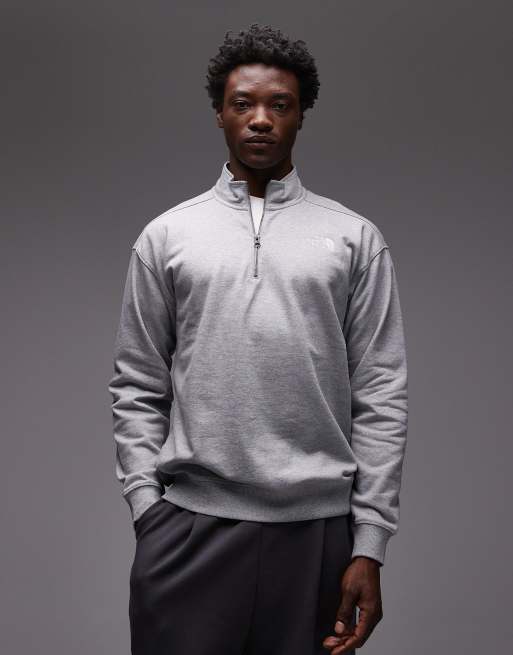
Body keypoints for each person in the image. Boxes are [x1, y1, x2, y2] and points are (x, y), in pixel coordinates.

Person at [108, 22, 408, 655]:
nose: (261, 119)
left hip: (318, 536)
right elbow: (136, 383)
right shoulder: (167, 236)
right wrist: (146, 506)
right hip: (188, 531)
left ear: (301, 115)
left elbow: (381, 394)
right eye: (243, 103)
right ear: (220, 113)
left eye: (280, 104)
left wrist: (369, 544)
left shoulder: (354, 239)